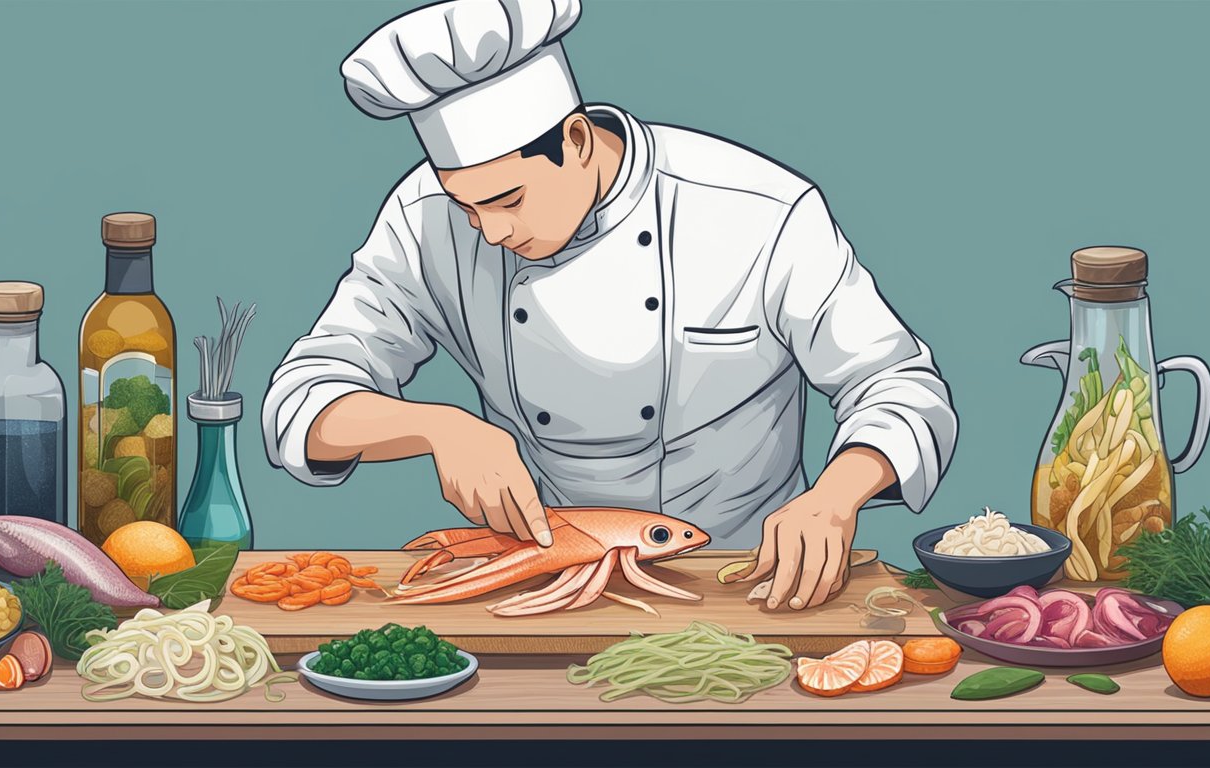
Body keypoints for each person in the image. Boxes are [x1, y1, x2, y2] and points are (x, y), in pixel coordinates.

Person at [263, 0, 958, 610]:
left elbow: (899, 386)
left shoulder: (758, 210)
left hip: (753, 580)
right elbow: (303, 401)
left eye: (508, 201)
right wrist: (439, 429)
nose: (492, 230)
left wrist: (835, 498)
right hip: (543, 580)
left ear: (574, 139)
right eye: (467, 207)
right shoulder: (425, 219)